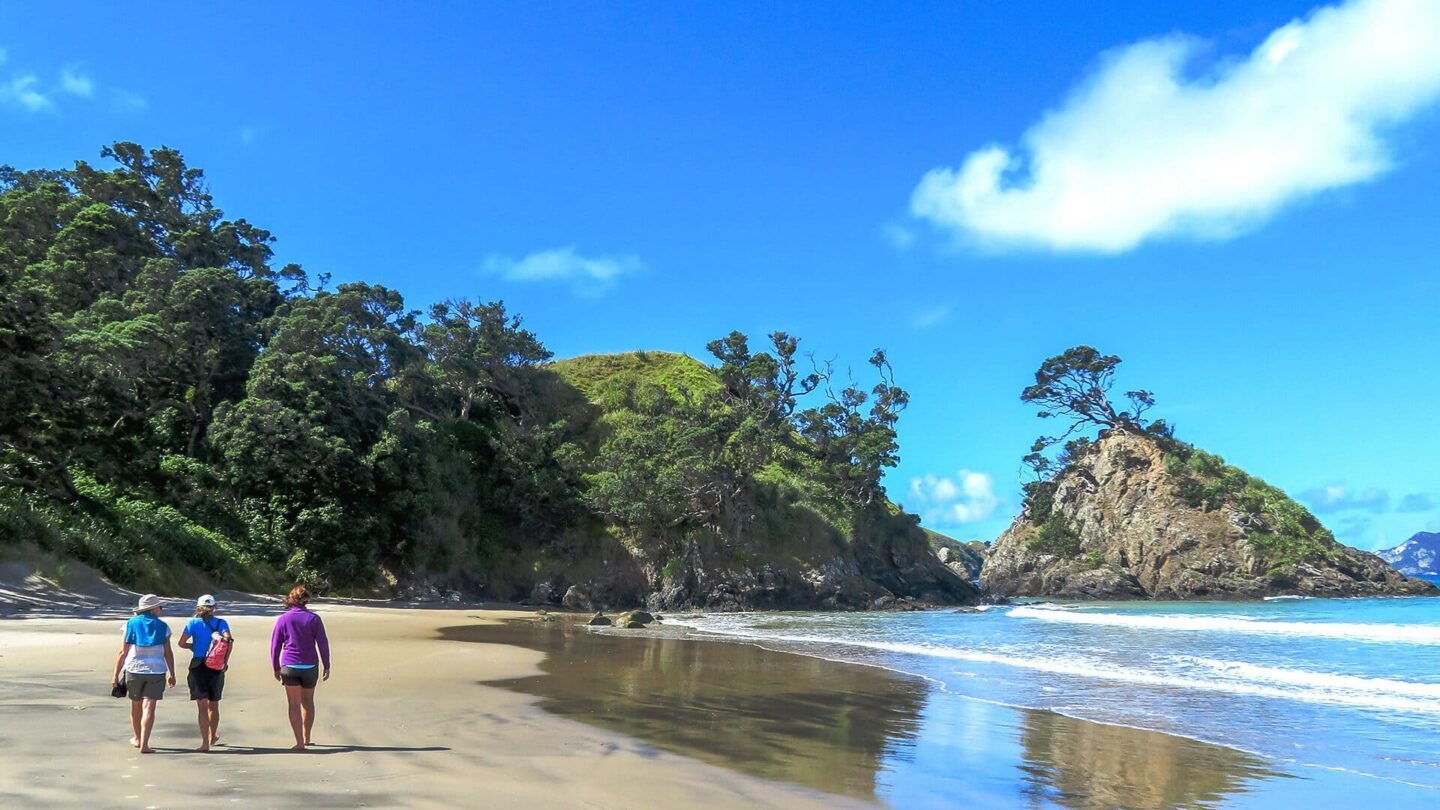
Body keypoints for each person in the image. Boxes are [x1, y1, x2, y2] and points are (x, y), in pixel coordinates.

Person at [111, 594, 176, 754]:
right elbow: (168, 653)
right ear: (153, 609)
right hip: (157, 670)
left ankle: (138, 738)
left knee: (136, 706)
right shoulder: (163, 626)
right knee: (149, 708)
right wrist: (172, 673)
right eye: (160, 607)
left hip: (134, 669)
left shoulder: (130, 624)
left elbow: (123, 652)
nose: (161, 609)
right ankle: (145, 745)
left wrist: (115, 675)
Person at [269, 585, 331, 751]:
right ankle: (307, 736)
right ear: (307, 600)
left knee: (294, 704)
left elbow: (275, 646)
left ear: (291, 599)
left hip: (289, 665)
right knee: (308, 702)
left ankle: (299, 742)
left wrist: (275, 666)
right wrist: (327, 664)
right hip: (310, 665)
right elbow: (322, 642)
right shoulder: (314, 619)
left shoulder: (283, 619)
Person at [177, 594, 233, 752]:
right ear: (214, 608)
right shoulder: (221, 623)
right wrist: (224, 662)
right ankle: (213, 735)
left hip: (198, 665)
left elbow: (181, 643)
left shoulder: (192, 623)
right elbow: (228, 641)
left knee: (202, 706)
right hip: (215, 665)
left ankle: (204, 743)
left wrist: (193, 646)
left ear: (198, 608)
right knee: (213, 704)